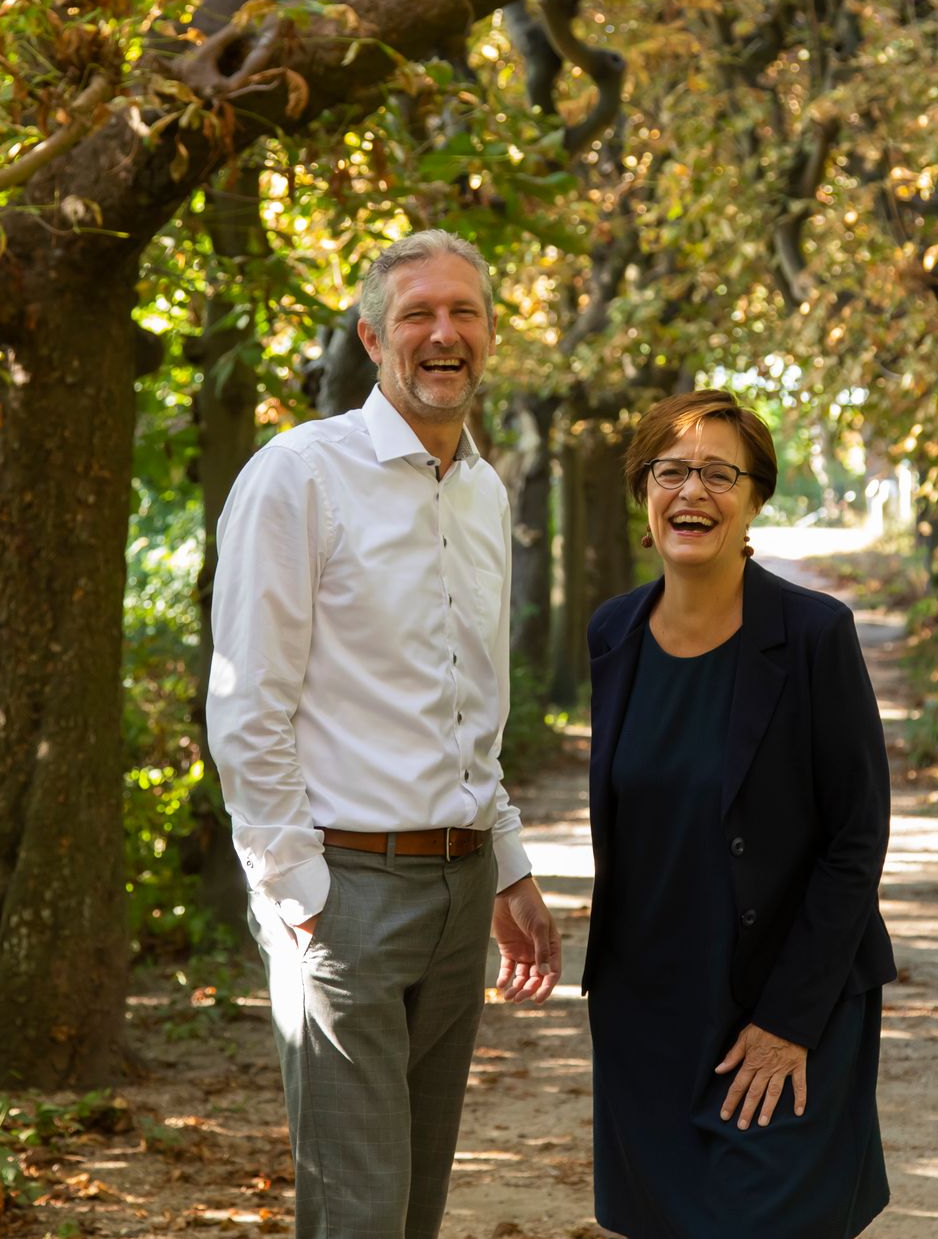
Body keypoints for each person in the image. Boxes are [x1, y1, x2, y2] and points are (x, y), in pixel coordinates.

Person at [207, 229, 562, 1239]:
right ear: (372, 336)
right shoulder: (301, 475)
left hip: (456, 898)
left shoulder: (485, 493)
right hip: (345, 895)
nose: (444, 333)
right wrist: (295, 895)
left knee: (412, 1210)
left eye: (466, 313)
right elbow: (246, 703)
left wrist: (504, 862)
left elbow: (469, 711)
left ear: (490, 335)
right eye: (418, 314)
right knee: (358, 1211)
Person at [583, 390, 894, 1239]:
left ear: (755, 497)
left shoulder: (813, 634)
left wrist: (788, 1022)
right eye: (671, 471)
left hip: (788, 1005)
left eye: (720, 473)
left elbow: (857, 836)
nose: (693, 492)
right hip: (649, 1017)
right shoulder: (612, 634)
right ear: (643, 492)